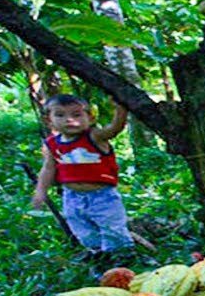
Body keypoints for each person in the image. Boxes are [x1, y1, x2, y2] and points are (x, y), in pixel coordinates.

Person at [31, 94, 134, 262]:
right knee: (82, 230)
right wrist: (41, 191)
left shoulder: (94, 137)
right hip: (71, 197)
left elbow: (115, 128)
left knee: (112, 228)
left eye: (76, 114)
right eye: (60, 115)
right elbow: (48, 168)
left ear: (90, 117)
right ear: (48, 120)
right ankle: (99, 255)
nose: (69, 120)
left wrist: (121, 108)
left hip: (102, 196)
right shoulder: (52, 144)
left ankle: (121, 257)